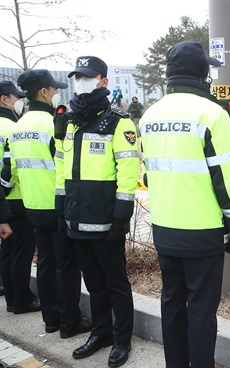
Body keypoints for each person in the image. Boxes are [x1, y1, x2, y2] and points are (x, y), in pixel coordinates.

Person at [139, 40, 230, 368]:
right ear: (202, 73)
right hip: (203, 231)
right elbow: (227, 180)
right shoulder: (212, 114)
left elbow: (149, 176)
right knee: (201, 308)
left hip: (165, 229)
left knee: (171, 302)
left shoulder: (149, 115)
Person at [55, 56, 138, 367]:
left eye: (88, 77)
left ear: (103, 81)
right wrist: (61, 207)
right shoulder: (71, 122)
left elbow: (128, 172)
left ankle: (121, 339)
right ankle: (100, 332)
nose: (81, 83)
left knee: (116, 283)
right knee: (93, 282)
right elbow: (61, 168)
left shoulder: (119, 122)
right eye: (77, 78)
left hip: (105, 219)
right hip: (76, 217)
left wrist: (120, 217)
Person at [12, 70, 91, 337]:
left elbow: (12, 168)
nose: (56, 92)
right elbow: (65, 165)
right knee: (66, 266)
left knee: (45, 263)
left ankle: (51, 318)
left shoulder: (19, 125)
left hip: (31, 204)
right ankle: (70, 321)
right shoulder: (52, 124)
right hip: (57, 205)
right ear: (44, 92)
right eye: (53, 88)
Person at [0, 80, 37, 314]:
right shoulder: (11, 128)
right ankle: (22, 299)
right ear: (4, 99)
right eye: (16, 97)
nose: (19, 101)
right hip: (15, 196)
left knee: (7, 250)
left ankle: (11, 298)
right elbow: (11, 168)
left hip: (2, 201)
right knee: (22, 252)